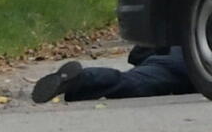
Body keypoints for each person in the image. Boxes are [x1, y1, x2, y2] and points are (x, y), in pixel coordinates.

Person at [31, 46, 195, 103]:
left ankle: (80, 78)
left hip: (180, 56)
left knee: (130, 80)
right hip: (190, 68)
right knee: (133, 84)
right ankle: (81, 80)